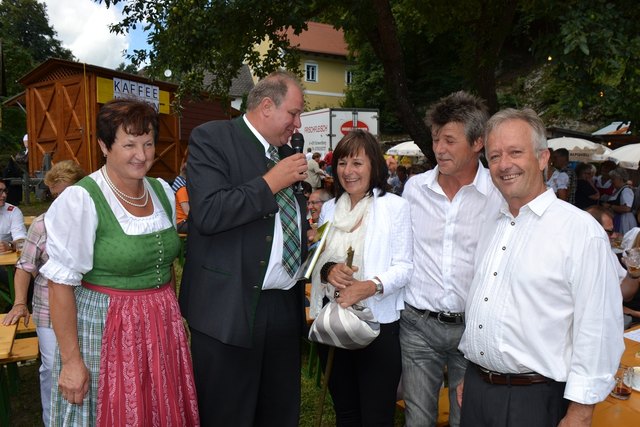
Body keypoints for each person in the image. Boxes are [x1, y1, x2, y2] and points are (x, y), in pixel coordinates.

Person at [458, 108, 624, 427]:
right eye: (494, 156)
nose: (504, 164)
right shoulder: (490, 224)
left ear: (543, 158)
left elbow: (598, 327)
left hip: (534, 401)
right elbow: (486, 302)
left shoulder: (579, 231)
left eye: (515, 152)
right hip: (478, 392)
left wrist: (580, 410)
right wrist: (478, 368)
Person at [39, 99, 199, 426]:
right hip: (105, 328)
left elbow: (166, 267)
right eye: (129, 144)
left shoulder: (162, 191)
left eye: (148, 142)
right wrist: (71, 362)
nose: (141, 154)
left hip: (160, 326)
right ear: (104, 146)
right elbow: (59, 284)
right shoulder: (82, 198)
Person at [179, 71, 309, 427]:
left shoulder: (283, 153)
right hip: (228, 308)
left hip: (283, 304)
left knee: (279, 412)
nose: (297, 125)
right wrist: (271, 182)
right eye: (294, 114)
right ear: (267, 106)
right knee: (228, 413)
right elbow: (208, 213)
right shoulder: (213, 137)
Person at [400, 91, 502, 427]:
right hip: (418, 325)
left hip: (473, 328)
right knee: (418, 418)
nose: (439, 149)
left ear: (477, 143)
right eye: (435, 139)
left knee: (466, 418)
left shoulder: (498, 194)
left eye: (449, 140)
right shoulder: (415, 189)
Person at [310, 129, 413, 425]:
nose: (348, 171)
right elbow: (319, 260)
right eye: (342, 163)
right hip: (334, 324)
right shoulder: (329, 209)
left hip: (378, 326)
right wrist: (329, 270)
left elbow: (404, 267)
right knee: (346, 412)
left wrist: (369, 287)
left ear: (374, 167)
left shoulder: (394, 207)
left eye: (357, 163)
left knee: (376, 416)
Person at [1, 160, 86, 427]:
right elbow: (25, 267)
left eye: (66, 193)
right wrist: (18, 303)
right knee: (52, 367)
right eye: (55, 195)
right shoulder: (43, 223)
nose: (60, 200)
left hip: (88, 307)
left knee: (89, 366)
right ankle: (53, 421)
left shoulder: (95, 221)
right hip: (49, 308)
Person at [0, 178, 27, 293]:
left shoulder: (13, 211)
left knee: (27, 273)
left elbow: (23, 242)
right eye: (0, 191)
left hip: (5, 263)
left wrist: (10, 245)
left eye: (5, 191)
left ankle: (14, 303)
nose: (4, 195)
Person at [602, 167, 637, 234]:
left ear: (620, 179)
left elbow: (627, 208)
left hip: (624, 221)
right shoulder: (617, 190)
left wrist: (610, 206)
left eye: (613, 179)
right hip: (618, 219)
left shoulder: (626, 190)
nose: (611, 181)